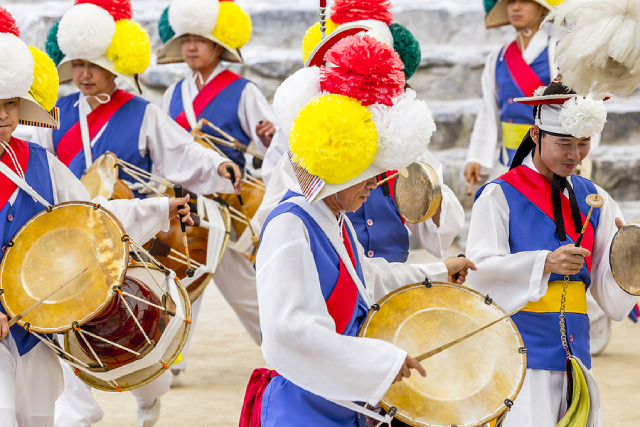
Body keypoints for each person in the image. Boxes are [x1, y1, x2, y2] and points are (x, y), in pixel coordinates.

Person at [240, 30, 475, 427]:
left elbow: (363, 277)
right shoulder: (290, 225)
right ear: (339, 169)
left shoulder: (332, 217)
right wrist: (383, 359)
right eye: (368, 175)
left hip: (339, 400)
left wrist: (437, 271)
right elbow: (288, 331)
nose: (376, 185)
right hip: (302, 407)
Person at [34, 1, 240, 426]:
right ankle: (77, 414)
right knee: (67, 324)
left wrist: (216, 168)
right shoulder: (57, 114)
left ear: (116, 65)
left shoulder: (142, 111)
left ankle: (148, 400)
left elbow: (182, 153)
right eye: (76, 65)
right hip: (78, 242)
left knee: (143, 327)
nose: (83, 74)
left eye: (93, 65)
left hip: (135, 240)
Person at [0, 8, 191, 426]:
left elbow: (90, 213)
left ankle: (146, 395)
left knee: (35, 415)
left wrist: (159, 209)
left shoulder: (38, 162)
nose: (3, 116)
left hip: (39, 323)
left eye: (10, 104)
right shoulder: (56, 125)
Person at [466, 79, 638, 427]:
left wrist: (630, 258)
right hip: (519, 352)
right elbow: (478, 270)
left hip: (576, 353)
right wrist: (544, 262)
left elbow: (611, 294)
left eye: (584, 143)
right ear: (535, 135)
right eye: (563, 143)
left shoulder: (596, 198)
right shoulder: (499, 195)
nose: (575, 155)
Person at [261, 0, 465, 266]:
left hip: (394, 283)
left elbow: (440, 229)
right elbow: (276, 215)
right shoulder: (307, 137)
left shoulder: (398, 134)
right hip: (333, 278)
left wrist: (423, 190)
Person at [156, 0, 278, 384]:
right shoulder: (172, 93)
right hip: (185, 204)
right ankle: (170, 359)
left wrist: (267, 140)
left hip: (228, 206)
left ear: (218, 46)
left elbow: (268, 148)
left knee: (242, 287)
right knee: (180, 280)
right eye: (186, 40)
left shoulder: (243, 90)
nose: (191, 47)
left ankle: (280, 345)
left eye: (200, 40)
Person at [465, 0, 574, 184]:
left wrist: (574, 155)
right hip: (508, 161)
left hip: (552, 160)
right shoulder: (497, 58)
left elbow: (579, 107)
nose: (515, 7)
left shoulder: (560, 52)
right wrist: (476, 157)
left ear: (541, 7)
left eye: (524, 1)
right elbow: (488, 110)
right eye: (510, 2)